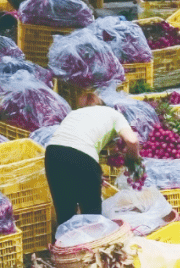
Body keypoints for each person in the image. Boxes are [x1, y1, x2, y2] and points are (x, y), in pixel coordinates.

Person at [44, 93, 140, 225]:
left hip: (53, 154)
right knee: (91, 215)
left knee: (65, 214)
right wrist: (133, 160)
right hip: (82, 156)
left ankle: (63, 244)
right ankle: (92, 243)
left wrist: (94, 174)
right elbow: (132, 140)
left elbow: (76, 144)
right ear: (101, 104)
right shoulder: (114, 114)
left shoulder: (74, 114)